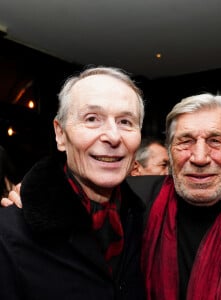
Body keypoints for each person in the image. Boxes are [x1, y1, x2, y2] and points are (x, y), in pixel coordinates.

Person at [4, 93, 221, 299]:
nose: (199, 156)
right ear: (170, 152)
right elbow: (73, 191)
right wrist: (29, 195)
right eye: (185, 141)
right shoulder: (134, 198)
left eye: (215, 141)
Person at [0, 66, 146, 299]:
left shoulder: (144, 219)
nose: (113, 136)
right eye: (92, 119)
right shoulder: (10, 233)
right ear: (60, 135)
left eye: (126, 122)